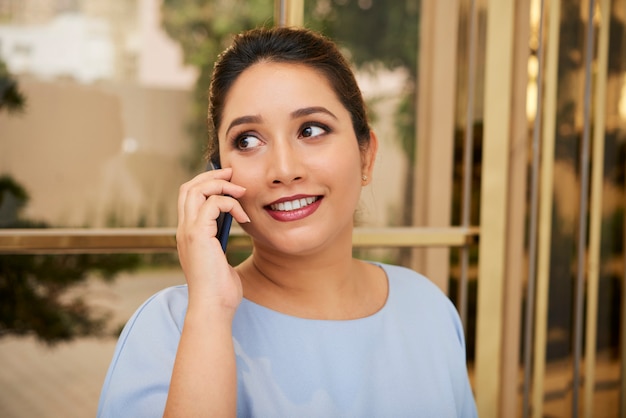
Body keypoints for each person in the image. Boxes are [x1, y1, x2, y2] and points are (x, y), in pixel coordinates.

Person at [97, 26, 477, 417]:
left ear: (366, 156)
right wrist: (210, 310)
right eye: (247, 140)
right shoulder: (171, 327)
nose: (283, 169)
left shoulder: (427, 308)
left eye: (311, 130)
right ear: (219, 174)